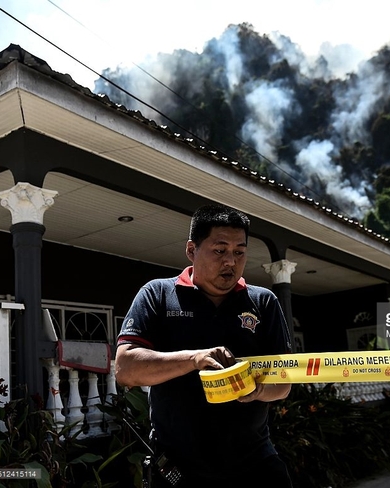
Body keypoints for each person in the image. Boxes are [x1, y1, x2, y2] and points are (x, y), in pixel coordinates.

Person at [115, 203, 293, 487]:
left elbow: (284, 382)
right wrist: (194, 359)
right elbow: (126, 369)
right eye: (219, 250)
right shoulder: (158, 295)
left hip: (254, 464)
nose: (230, 262)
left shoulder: (263, 302)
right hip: (178, 468)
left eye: (239, 252)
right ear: (191, 250)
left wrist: (257, 389)